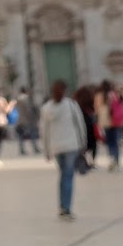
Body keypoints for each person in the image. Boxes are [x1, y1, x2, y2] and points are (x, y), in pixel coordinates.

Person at [42, 80, 89, 220]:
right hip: (71, 145)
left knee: (63, 176)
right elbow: (80, 125)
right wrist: (83, 143)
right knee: (68, 176)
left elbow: (44, 131)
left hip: (56, 147)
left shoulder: (46, 108)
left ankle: (62, 206)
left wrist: (46, 150)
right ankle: (66, 208)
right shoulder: (71, 105)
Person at [96, 80, 123, 171]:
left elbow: (96, 110)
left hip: (105, 122)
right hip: (115, 121)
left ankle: (111, 159)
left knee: (109, 142)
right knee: (115, 141)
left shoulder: (99, 96)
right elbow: (120, 106)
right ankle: (117, 161)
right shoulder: (114, 94)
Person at [16, 86, 41, 155]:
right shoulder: (26, 99)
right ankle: (35, 147)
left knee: (21, 135)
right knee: (32, 133)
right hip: (28, 120)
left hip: (20, 119)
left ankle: (22, 149)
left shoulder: (18, 99)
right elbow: (28, 110)